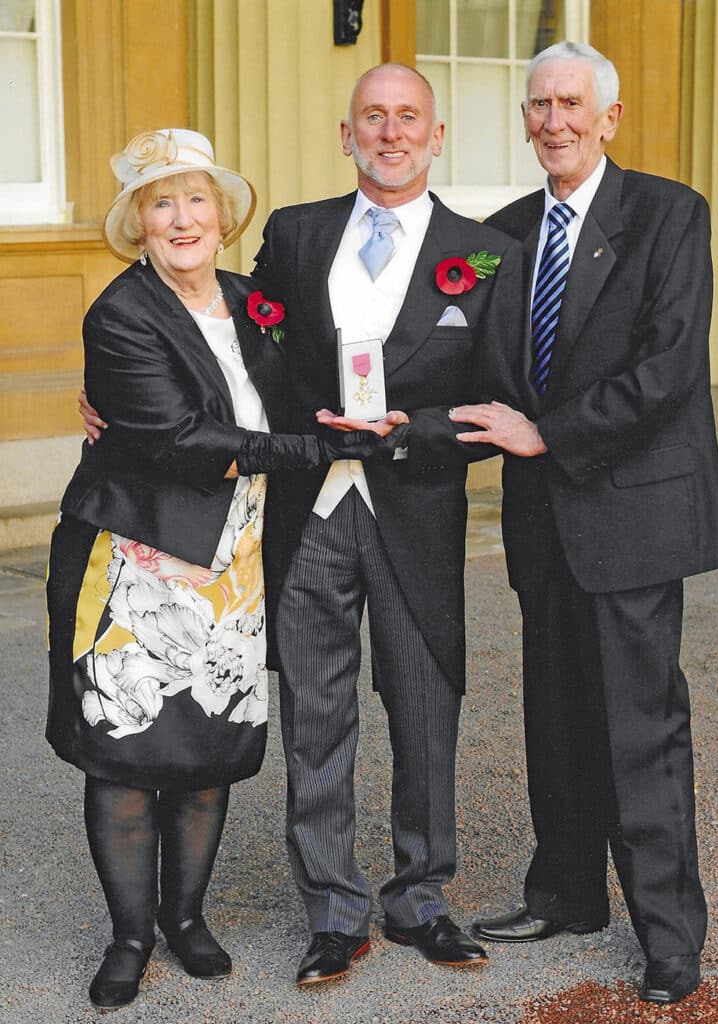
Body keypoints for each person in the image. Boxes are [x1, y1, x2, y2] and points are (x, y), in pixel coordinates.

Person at [48, 128, 379, 1010]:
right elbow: (185, 441)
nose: (182, 218)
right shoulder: (120, 313)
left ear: (224, 218)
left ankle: (186, 920)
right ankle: (129, 936)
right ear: (139, 225)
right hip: (135, 561)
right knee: (123, 753)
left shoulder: (251, 299)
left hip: (233, 560)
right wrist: (321, 447)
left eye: (196, 200)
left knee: (205, 746)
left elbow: (312, 368)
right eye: (162, 204)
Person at [449, 41, 718, 1005]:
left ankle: (668, 933)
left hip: (631, 511)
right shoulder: (500, 233)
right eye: (538, 105)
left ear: (608, 117)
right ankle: (567, 893)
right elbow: (453, 361)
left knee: (640, 726)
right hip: (542, 521)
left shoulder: (667, 213)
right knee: (557, 714)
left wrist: (545, 435)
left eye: (572, 104)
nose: (554, 121)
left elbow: (665, 369)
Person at [251, 63, 524, 985]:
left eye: (409, 117)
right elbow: (244, 351)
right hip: (311, 509)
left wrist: (423, 429)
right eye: (374, 117)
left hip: (413, 509)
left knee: (422, 706)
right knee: (313, 716)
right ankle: (332, 909)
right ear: (346, 133)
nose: (391, 132)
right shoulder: (292, 235)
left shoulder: (481, 252)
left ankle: (421, 896)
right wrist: (124, 398)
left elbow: (504, 403)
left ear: (436, 135)